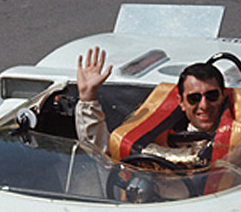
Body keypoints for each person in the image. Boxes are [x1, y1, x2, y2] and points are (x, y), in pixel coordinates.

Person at [75, 46, 232, 160]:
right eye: (194, 98)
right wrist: (88, 98)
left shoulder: (240, 136)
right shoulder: (158, 135)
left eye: (211, 96)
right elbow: (103, 152)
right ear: (181, 102)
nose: (204, 105)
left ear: (223, 96)